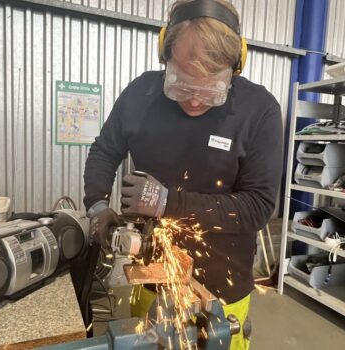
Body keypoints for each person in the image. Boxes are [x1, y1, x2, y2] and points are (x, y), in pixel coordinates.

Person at [83, 0, 283, 349]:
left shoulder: (260, 110)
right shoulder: (140, 94)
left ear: (235, 69)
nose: (193, 101)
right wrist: (97, 205)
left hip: (222, 292)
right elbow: (103, 151)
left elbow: (257, 206)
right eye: (181, 85)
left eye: (209, 91)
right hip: (151, 277)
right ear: (165, 54)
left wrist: (168, 202)